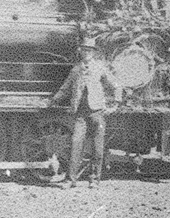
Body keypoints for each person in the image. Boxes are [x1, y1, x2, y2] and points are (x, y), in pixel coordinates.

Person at [49, 37, 121, 188]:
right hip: (80, 114)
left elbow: (116, 85)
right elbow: (65, 88)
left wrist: (115, 104)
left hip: (97, 113)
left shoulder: (100, 67)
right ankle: (71, 180)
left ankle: (94, 180)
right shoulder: (76, 70)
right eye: (84, 50)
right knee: (75, 145)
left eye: (89, 51)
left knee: (97, 148)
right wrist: (53, 100)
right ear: (81, 52)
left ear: (93, 53)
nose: (86, 53)